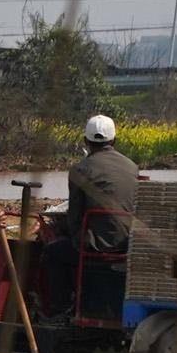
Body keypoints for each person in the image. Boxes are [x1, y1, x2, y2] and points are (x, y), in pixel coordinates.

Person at [53, 112, 142, 316]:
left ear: (86, 141)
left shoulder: (80, 169)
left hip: (96, 247)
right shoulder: (132, 166)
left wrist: (73, 236)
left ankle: (60, 309)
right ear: (114, 140)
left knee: (52, 253)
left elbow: (74, 217)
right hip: (127, 244)